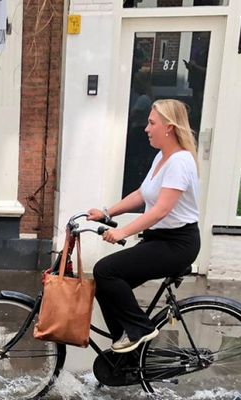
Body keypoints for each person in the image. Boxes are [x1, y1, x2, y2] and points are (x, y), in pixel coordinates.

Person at [88, 99, 201, 353]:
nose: (146, 128)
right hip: (159, 240)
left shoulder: (179, 162)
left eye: (152, 123)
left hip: (177, 244)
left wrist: (122, 232)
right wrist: (106, 212)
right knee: (105, 284)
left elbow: (162, 209)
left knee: (106, 271)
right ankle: (126, 351)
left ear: (169, 128)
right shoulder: (162, 157)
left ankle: (141, 329)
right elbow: (142, 194)